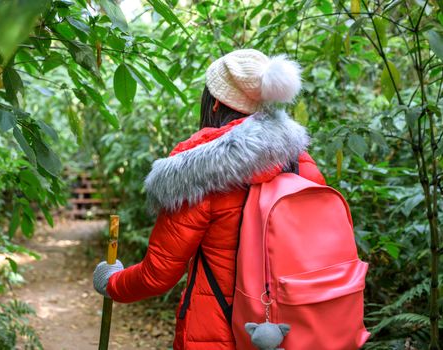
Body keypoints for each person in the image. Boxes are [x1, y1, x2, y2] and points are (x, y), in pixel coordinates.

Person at [93, 49, 326, 349]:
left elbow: (158, 274)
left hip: (216, 333)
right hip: (290, 332)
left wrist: (112, 282)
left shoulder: (195, 171)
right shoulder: (300, 162)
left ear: (215, 102)